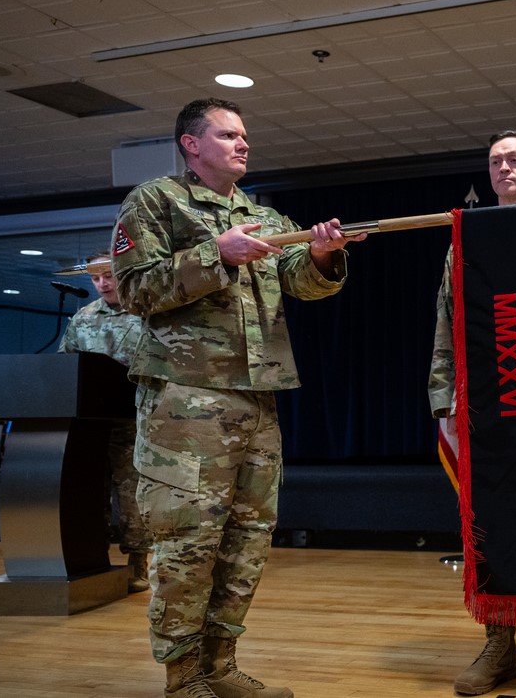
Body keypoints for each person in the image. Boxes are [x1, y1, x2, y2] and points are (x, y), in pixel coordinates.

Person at [111, 97, 366, 698]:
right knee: (188, 541)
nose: (243, 144)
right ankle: (183, 678)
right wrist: (213, 255)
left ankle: (221, 665)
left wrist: (325, 256)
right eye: (228, 135)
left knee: (245, 542)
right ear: (191, 145)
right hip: (186, 401)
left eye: (245, 135)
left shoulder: (266, 216)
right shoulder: (155, 202)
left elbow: (302, 282)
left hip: (257, 401)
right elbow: (132, 289)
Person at [429, 131, 516, 698]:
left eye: (515, 160)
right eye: (494, 162)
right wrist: (444, 397)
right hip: (486, 403)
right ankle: (499, 644)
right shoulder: (469, 238)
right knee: (490, 524)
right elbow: (446, 318)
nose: (503, 168)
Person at [57, 252, 152, 593]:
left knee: (131, 495)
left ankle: (138, 561)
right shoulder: (83, 318)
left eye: (108, 276)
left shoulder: (147, 311)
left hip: (132, 422)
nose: (102, 284)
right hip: (89, 426)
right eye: (96, 278)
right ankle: (91, 558)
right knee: (87, 492)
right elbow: (65, 366)